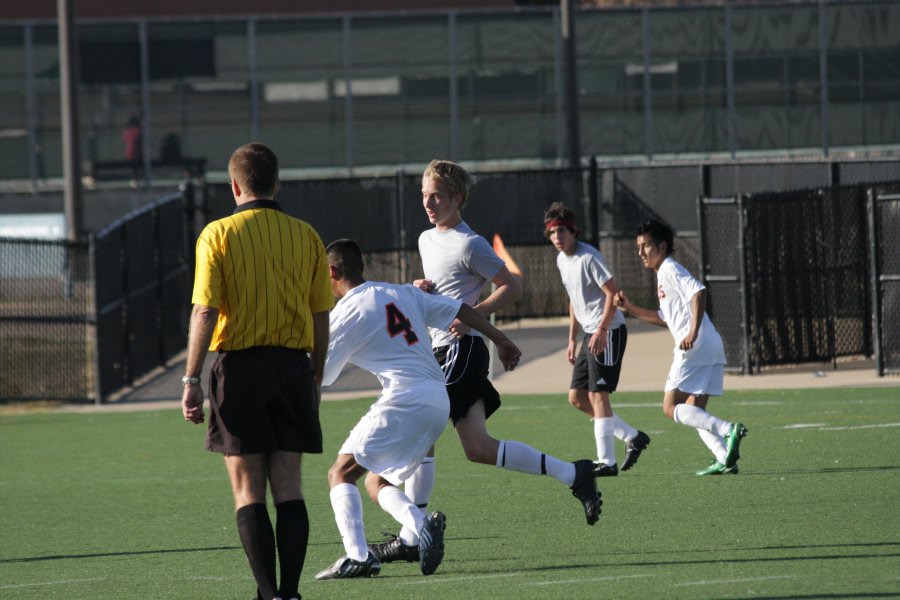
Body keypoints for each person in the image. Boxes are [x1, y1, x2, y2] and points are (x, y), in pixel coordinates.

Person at [370, 159, 602, 566]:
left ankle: (412, 535)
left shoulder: (469, 243)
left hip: (462, 351)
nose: (428, 202)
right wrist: (420, 289)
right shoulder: (426, 239)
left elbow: (512, 286)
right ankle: (574, 474)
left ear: (458, 198)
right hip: (440, 350)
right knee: (477, 447)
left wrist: (472, 313)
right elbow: (441, 292)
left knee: (421, 433)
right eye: (424, 195)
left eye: (436, 195)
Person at [315, 239, 523, 580]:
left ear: (332, 272)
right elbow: (460, 309)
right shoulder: (400, 291)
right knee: (375, 481)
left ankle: (361, 555)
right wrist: (500, 338)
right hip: (437, 399)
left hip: (405, 399)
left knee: (339, 474)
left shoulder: (347, 311)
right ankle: (415, 529)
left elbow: (319, 371)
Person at [181, 142, 333, 600]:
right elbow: (321, 314)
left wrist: (191, 380)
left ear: (234, 185)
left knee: (248, 489)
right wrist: (316, 374)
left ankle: (268, 595)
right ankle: (291, 592)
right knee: (289, 485)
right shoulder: (306, 235)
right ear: (276, 181)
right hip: (291, 367)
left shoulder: (217, 234)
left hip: (239, 369)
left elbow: (204, 311)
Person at [613, 219, 747, 476]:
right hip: (711, 345)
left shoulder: (669, 269)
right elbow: (664, 318)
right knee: (694, 410)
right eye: (638, 247)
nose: (641, 252)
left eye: (646, 246)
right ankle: (724, 457)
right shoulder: (663, 275)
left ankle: (728, 430)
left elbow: (698, 292)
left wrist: (692, 332)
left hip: (695, 346)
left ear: (662, 247)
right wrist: (629, 309)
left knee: (669, 407)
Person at [543, 202, 650, 476]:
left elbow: (613, 294)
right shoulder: (560, 260)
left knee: (597, 394)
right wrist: (571, 338)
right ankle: (632, 437)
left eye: (562, 232)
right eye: (553, 233)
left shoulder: (589, 257)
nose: (557, 238)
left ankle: (607, 462)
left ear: (574, 231)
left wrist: (602, 329)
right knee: (577, 397)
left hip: (609, 331)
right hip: (590, 333)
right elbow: (574, 300)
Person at [122, 115, 143, 186]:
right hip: (137, 155)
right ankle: (136, 180)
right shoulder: (139, 131)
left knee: (134, 167)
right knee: (136, 166)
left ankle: (134, 180)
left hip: (128, 155)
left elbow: (125, 140)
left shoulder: (126, 132)